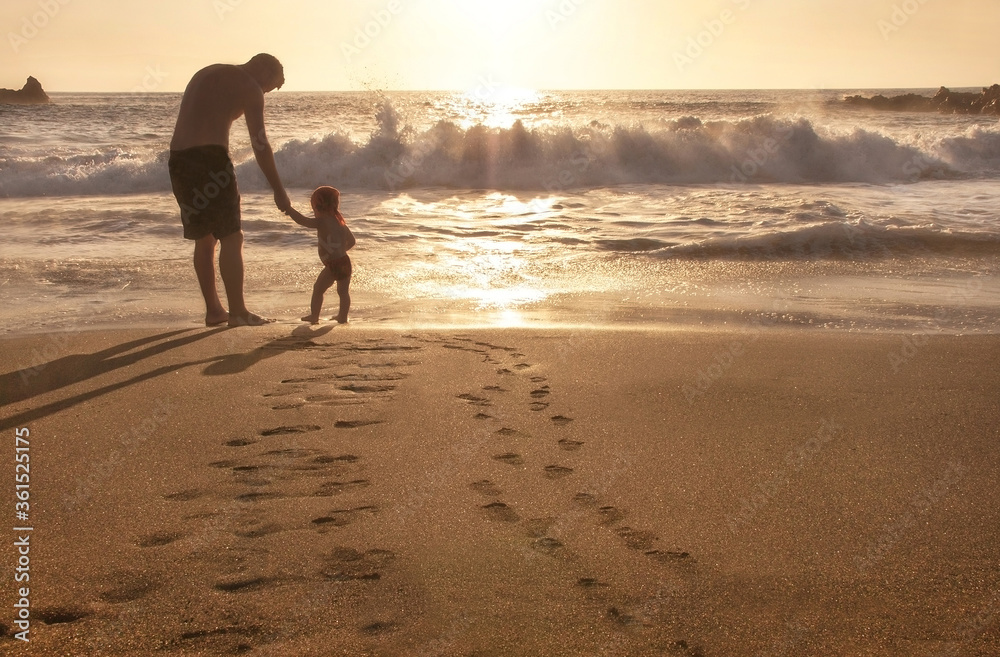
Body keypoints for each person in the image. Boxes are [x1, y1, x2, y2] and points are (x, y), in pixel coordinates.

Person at [168, 53, 296, 327]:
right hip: (210, 160)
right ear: (264, 71)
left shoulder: (207, 70)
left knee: (204, 238)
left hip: (178, 161)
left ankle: (214, 311)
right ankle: (238, 311)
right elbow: (260, 144)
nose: (264, 93)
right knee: (232, 236)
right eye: (269, 87)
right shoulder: (250, 87)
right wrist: (278, 190)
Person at [286, 186, 356, 324]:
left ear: (317, 206)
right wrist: (340, 251)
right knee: (343, 292)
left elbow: (302, 221)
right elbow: (352, 241)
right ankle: (342, 316)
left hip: (333, 264)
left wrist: (289, 210)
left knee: (318, 289)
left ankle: (314, 316)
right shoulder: (340, 222)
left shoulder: (322, 221)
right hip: (344, 261)